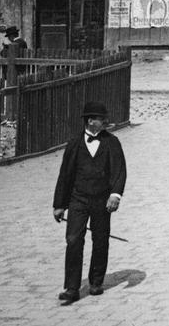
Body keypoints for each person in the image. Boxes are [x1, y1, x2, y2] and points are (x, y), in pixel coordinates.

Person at [53, 101, 126, 303]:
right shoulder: (75, 143)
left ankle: (96, 282)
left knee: (101, 240)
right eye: (101, 119)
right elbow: (65, 175)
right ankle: (72, 288)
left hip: (102, 201)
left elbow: (119, 171)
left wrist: (115, 195)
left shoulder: (112, 142)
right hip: (78, 199)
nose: (105, 122)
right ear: (90, 120)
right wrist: (59, 205)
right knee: (73, 240)